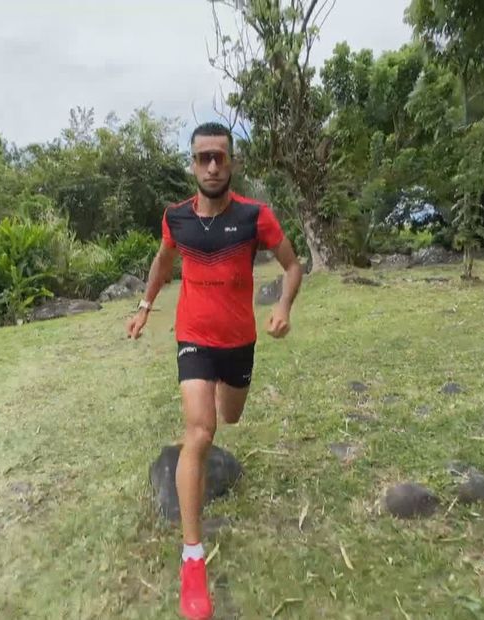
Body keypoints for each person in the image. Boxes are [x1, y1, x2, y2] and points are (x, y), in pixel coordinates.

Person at [126, 122, 303, 619]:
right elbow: (163, 264)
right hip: (193, 340)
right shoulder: (175, 219)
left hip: (239, 343)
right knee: (200, 431)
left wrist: (284, 307)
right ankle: (192, 559)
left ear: (232, 163)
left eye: (219, 157)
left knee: (230, 417)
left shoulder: (254, 216)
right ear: (192, 163)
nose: (211, 166)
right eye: (202, 157)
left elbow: (293, 266)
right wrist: (144, 305)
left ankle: (212, 440)